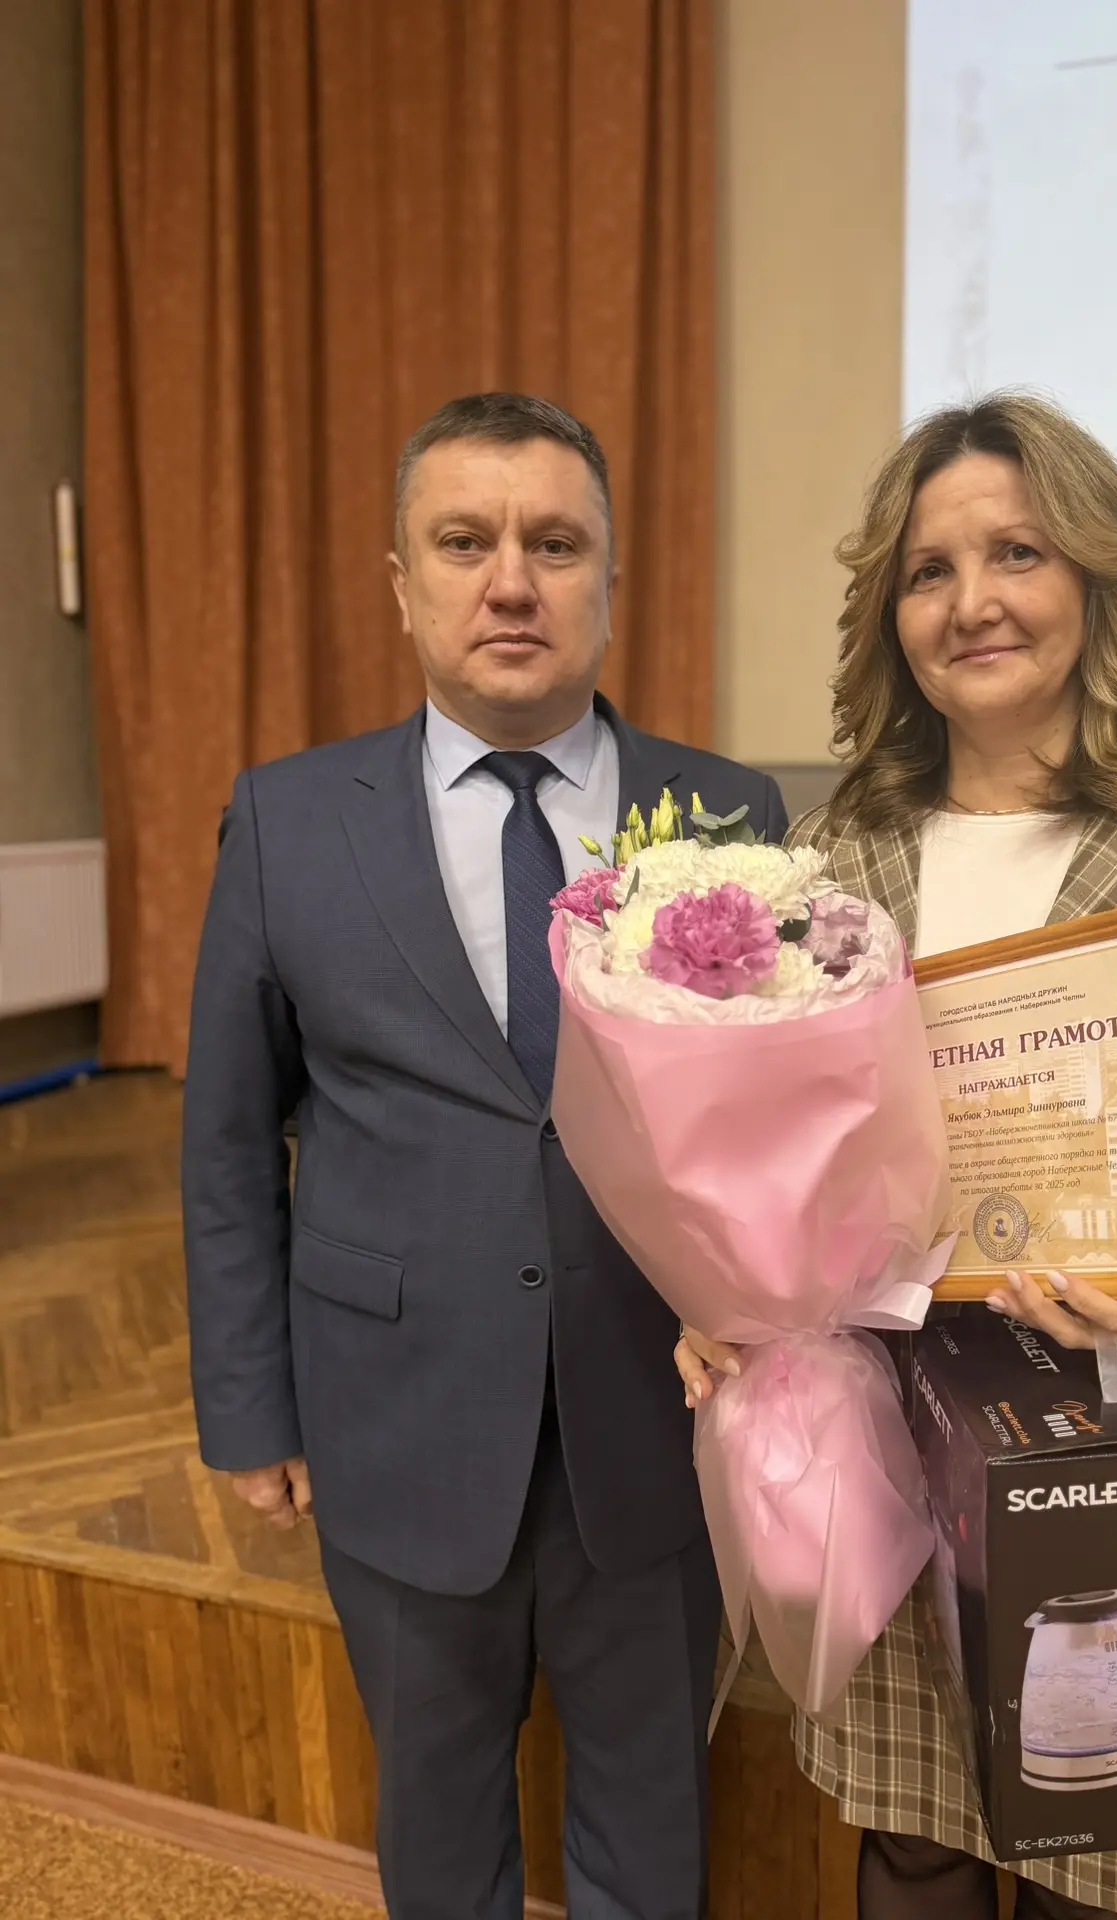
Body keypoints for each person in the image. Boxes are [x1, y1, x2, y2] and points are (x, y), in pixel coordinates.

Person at [676, 393, 1117, 1917]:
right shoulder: (836, 857)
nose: (974, 602)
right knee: (917, 1839)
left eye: (1017, 552)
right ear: (892, 617)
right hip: (896, 1433)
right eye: (929, 571)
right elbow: (787, 1161)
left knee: (1106, 1845)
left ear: (1094, 572)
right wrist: (730, 1296)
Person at [183, 391, 787, 1920]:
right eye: (465, 542)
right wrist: (248, 1407)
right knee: (440, 1834)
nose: (511, 580)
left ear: (610, 584)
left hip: (659, 1423)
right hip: (396, 1421)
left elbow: (778, 1132)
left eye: (554, 544)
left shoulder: (730, 815)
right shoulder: (287, 820)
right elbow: (230, 1141)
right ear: (403, 585)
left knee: (650, 1828)